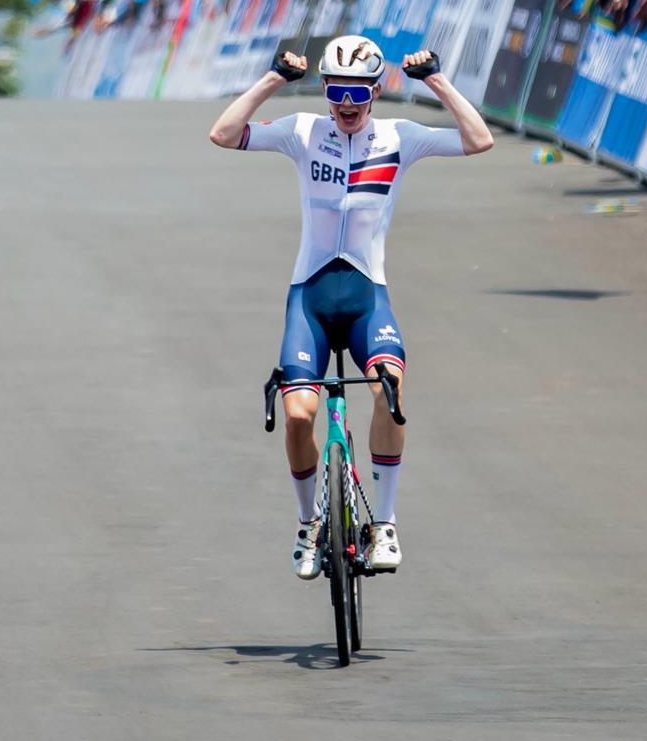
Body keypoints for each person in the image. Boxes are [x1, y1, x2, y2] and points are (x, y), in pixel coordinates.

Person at [207, 30, 495, 578]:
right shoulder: (302, 132)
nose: (346, 105)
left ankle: (383, 523)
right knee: (298, 415)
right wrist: (273, 78)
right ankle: (309, 523)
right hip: (310, 299)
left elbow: (479, 140)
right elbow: (222, 133)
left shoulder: (400, 137)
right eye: (336, 91)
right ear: (323, 88)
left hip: (367, 298)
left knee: (391, 386)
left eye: (358, 94)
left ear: (377, 91)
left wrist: (435, 79)